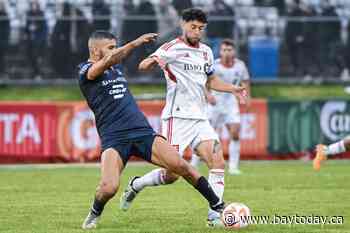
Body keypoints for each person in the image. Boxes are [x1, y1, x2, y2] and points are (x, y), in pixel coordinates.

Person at [79, 30, 226, 229]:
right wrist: (136, 42)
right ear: (95, 50)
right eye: (110, 47)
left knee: (181, 166)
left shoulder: (115, 68)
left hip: (142, 131)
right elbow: (110, 59)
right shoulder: (85, 71)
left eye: (115, 47)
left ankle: (218, 206)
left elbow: (114, 58)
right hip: (114, 138)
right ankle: (95, 212)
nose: (115, 51)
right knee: (109, 187)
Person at [119, 8, 246, 227]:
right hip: (176, 119)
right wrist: (150, 63)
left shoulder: (206, 51)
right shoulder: (171, 48)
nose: (197, 32)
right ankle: (137, 184)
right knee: (172, 175)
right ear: (183, 25)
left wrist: (232, 89)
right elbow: (144, 64)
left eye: (201, 28)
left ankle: (214, 216)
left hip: (199, 118)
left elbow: (212, 81)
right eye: (193, 27)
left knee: (217, 161)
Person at [191, 39, 251, 175]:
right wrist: (207, 95)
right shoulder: (215, 65)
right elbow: (202, 81)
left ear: (234, 51)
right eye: (224, 50)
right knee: (204, 135)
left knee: (235, 133)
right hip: (214, 103)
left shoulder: (240, 66)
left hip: (231, 103)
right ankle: (193, 164)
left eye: (229, 50)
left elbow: (245, 81)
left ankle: (233, 167)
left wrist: (247, 97)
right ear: (220, 51)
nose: (227, 53)